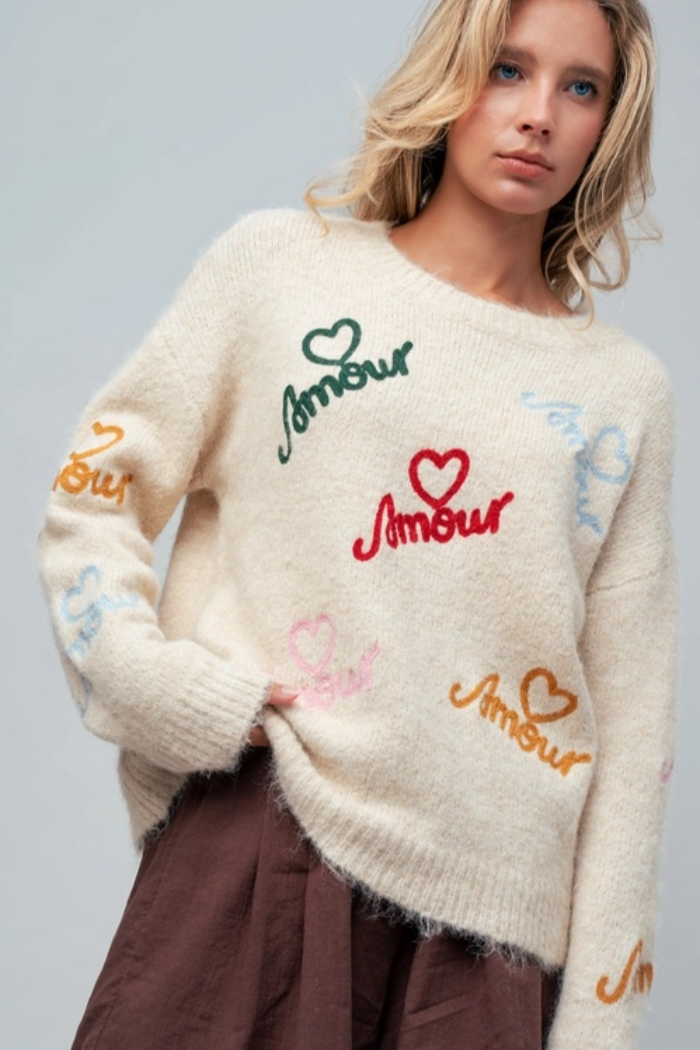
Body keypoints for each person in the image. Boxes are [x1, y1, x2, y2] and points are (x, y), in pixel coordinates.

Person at [37, 0, 677, 1047]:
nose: (538, 116)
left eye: (580, 87)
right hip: (267, 840)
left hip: (486, 942)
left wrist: (600, 1027)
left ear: (609, 123)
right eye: (506, 68)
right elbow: (93, 493)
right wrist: (160, 689)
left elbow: (632, 723)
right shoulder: (280, 271)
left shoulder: (621, 391)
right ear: (451, 73)